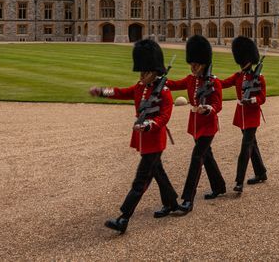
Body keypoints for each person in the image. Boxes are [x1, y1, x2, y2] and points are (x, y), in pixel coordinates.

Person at [90, 39, 179, 234]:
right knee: (158, 173)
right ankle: (172, 203)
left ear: (154, 72)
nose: (141, 75)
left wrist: (149, 125)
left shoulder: (164, 92)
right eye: (140, 72)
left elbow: (164, 117)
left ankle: (124, 217)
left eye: (144, 72)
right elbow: (121, 92)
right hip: (143, 139)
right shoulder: (140, 87)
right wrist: (102, 92)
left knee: (141, 180)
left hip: (154, 140)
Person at [165, 35, 225, 213]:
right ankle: (219, 186)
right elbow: (174, 84)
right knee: (207, 156)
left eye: (196, 65)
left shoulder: (214, 82)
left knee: (196, 158)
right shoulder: (191, 80)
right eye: (191, 64)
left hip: (208, 125)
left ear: (205, 64)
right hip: (195, 125)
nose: (193, 67)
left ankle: (187, 199)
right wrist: (158, 79)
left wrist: (207, 109)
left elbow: (218, 105)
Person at [220, 36, 268, 194]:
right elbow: (223, 84)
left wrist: (253, 100)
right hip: (241, 115)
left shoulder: (259, 78)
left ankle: (239, 181)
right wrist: (210, 82)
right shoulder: (238, 76)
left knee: (245, 147)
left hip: (252, 115)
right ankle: (261, 172)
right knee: (252, 144)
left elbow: (262, 98)